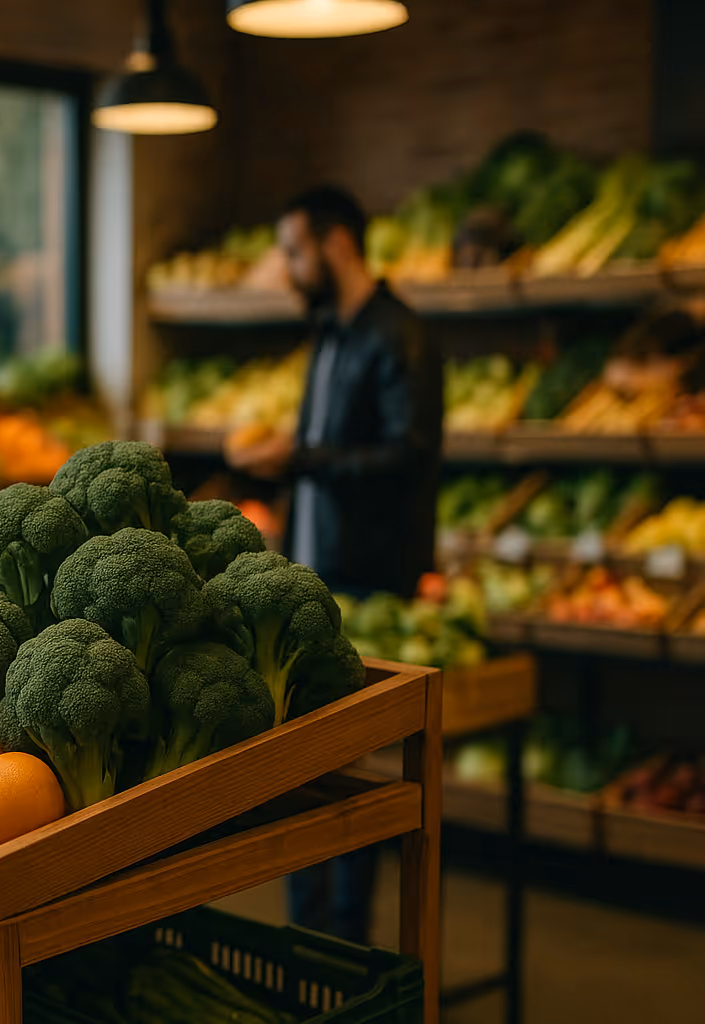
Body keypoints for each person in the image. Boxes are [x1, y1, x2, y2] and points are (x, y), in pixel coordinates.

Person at [226, 186, 443, 944]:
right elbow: (325, 448)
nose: (287, 267)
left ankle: (343, 939)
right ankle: (306, 935)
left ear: (337, 244)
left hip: (370, 577)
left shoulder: (399, 335)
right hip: (315, 571)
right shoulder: (330, 333)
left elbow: (409, 455)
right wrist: (281, 465)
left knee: (356, 770)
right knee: (304, 763)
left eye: (294, 249)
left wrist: (303, 457)